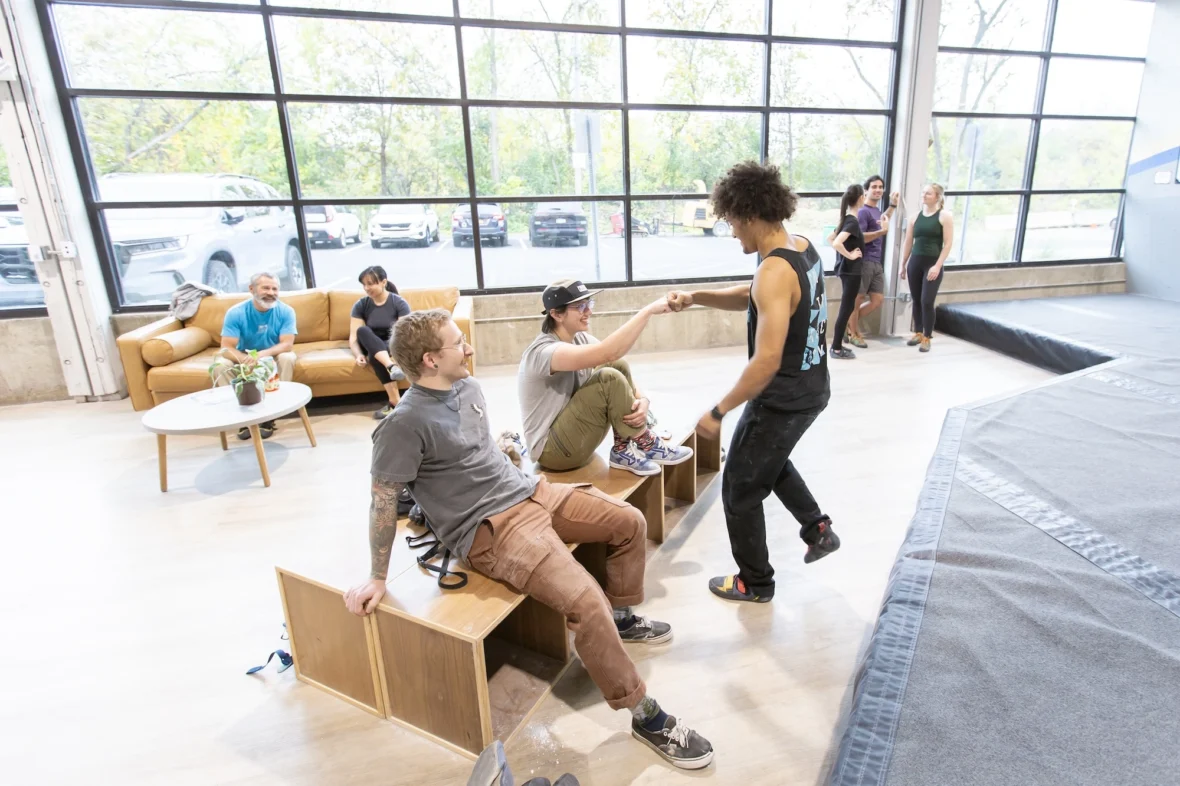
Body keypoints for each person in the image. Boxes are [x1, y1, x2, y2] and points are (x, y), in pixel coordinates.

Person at [344, 309, 714, 770]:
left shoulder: (469, 388)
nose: (470, 348)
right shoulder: (402, 425)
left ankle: (620, 619)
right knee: (586, 601)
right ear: (430, 360)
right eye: (459, 343)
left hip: (531, 491)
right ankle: (643, 713)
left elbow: (480, 454)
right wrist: (377, 577)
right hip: (492, 528)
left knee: (629, 522)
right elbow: (382, 503)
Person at [666, 161, 839, 604]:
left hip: (782, 396)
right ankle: (817, 529)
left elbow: (765, 362)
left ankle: (755, 582)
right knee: (767, 460)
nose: (732, 234)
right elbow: (757, 296)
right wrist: (696, 297)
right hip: (812, 386)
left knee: (740, 487)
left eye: (731, 224)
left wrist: (718, 411)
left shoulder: (772, 272)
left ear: (746, 214)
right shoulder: (798, 248)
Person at [518, 279, 692, 477]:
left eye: (589, 304)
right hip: (554, 453)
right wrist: (647, 311)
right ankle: (647, 442)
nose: (588, 311)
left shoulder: (578, 338)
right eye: (580, 307)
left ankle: (622, 450)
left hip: (574, 439)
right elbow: (607, 352)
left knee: (617, 366)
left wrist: (643, 400)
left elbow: (614, 358)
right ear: (557, 314)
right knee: (607, 377)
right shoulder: (544, 351)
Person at [214, 272, 296, 440]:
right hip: (243, 355)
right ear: (251, 289)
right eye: (266, 288)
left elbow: (287, 344)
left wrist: (260, 355)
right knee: (221, 363)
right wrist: (246, 359)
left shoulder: (286, 311)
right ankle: (241, 418)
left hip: (272, 354)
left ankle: (270, 416)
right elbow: (227, 347)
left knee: (288, 357)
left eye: (275, 289)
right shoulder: (236, 312)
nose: (271, 293)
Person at [349, 265, 410, 419]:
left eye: (371, 283)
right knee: (362, 331)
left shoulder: (398, 303)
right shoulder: (361, 304)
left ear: (383, 282)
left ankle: (394, 402)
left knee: (374, 355)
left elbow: (403, 334)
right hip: (371, 341)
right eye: (364, 284)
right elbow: (353, 337)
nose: (367, 288)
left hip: (392, 342)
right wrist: (357, 355)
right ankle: (391, 366)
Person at [846, 176, 900, 347]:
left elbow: (883, 220)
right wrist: (880, 233)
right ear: (866, 190)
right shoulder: (863, 211)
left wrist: (893, 205)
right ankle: (853, 333)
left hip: (876, 262)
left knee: (877, 300)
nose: (878, 189)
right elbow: (859, 238)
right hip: (864, 260)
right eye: (874, 187)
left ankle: (848, 325)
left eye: (881, 187)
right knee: (858, 299)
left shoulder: (876, 211)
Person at [900, 184, 954, 353]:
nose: (924, 195)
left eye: (928, 193)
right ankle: (917, 331)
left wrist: (937, 266)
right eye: (923, 192)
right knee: (916, 299)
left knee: (927, 300)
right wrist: (903, 264)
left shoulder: (944, 216)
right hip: (915, 262)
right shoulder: (914, 217)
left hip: (932, 263)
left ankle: (927, 336)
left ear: (937, 197)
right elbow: (909, 241)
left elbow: (948, 243)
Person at [826, 184, 867, 360]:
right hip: (851, 271)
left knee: (847, 307)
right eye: (864, 195)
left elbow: (830, 238)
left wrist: (846, 256)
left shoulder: (847, 220)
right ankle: (836, 348)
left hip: (847, 270)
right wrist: (850, 255)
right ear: (860, 198)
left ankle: (837, 345)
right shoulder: (852, 221)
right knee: (847, 307)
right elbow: (836, 242)